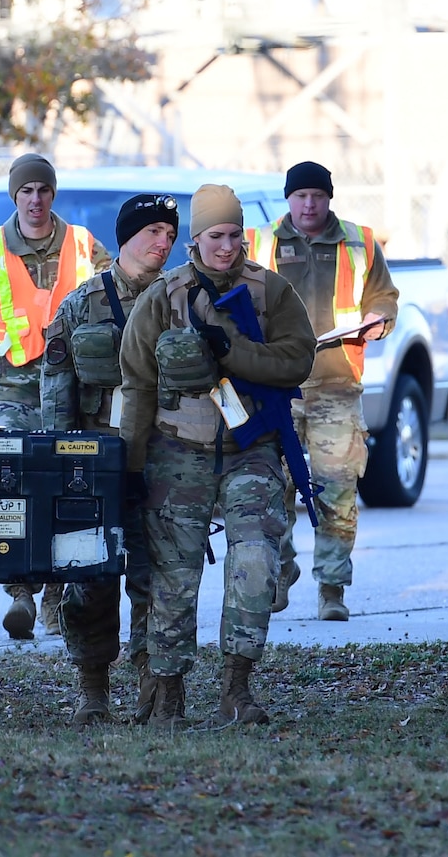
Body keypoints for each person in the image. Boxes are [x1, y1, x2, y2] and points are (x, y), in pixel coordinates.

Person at [119, 184, 316, 726]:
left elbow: (297, 360)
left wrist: (234, 350)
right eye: (214, 236)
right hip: (176, 451)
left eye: (233, 235)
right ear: (195, 239)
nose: (225, 246)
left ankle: (237, 688)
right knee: (172, 578)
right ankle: (169, 694)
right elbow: (135, 386)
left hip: (251, 451)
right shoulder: (163, 297)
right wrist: (130, 465)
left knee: (255, 561)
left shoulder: (271, 293)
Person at [38, 192, 179, 723]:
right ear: (126, 238)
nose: (163, 243)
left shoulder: (182, 300)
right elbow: (56, 392)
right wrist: (60, 466)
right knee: (90, 579)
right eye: (152, 232)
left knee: (158, 578)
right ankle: (92, 690)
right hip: (95, 461)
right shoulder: (82, 304)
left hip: (164, 458)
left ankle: (155, 689)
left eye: (170, 234)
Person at [245, 161, 398, 620]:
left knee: (337, 488)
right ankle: (280, 569)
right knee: (273, 487)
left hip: (336, 382)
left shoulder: (360, 241)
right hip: (276, 387)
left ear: (329, 197)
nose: (308, 204)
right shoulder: (258, 243)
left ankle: (331, 589)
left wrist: (380, 320)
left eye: (317, 195)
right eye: (300, 196)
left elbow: (384, 296)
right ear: (288, 199)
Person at [0, 152, 111, 640]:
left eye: (43, 190)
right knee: (9, 485)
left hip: (68, 387)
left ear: (53, 194)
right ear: (15, 196)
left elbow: (112, 293)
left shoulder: (81, 244)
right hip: (9, 386)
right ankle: (20, 593)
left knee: (62, 489)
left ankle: (55, 598)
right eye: (27, 191)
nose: (36, 199)